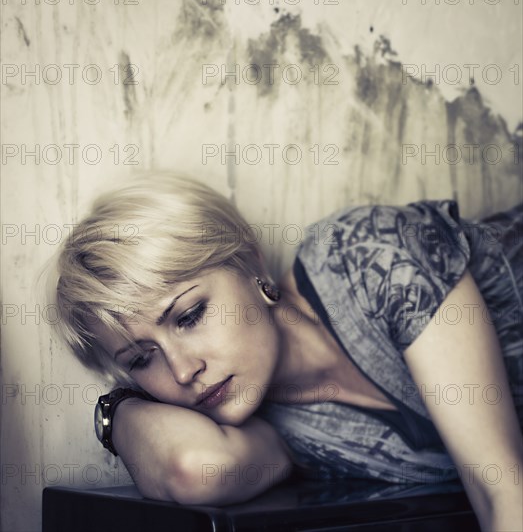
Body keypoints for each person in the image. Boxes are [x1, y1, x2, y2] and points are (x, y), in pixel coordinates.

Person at [48, 171, 523, 532]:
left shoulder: (362, 256)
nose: (184, 369)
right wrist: (118, 408)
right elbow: (192, 467)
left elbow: (503, 487)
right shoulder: (278, 432)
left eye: (190, 315)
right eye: (141, 358)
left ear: (251, 263)